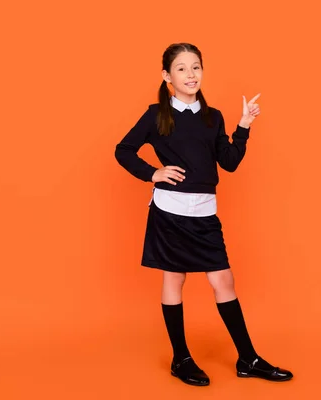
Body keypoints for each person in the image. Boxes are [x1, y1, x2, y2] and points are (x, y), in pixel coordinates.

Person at [114, 43, 293, 386]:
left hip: (205, 213)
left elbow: (229, 162)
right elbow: (124, 150)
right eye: (181, 68)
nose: (190, 74)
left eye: (195, 67)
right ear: (167, 76)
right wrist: (153, 172)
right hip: (170, 211)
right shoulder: (156, 114)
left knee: (223, 280)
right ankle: (181, 359)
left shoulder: (214, 117)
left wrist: (243, 125)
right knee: (174, 280)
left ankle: (248, 358)